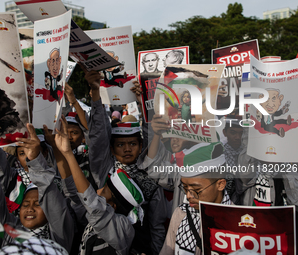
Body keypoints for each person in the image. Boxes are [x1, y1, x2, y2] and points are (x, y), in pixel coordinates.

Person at [83, 66, 167, 255]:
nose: (127, 149)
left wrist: (141, 102)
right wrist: (95, 93)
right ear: (112, 149)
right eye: (121, 145)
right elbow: (97, 138)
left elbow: (157, 225)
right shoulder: (106, 170)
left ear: (140, 146)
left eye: (132, 144)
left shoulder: (150, 174)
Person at [0, 124, 74, 252]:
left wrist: (35, 160)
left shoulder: (58, 238)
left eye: (37, 204)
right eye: (25, 204)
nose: (29, 209)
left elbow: (53, 203)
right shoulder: (11, 237)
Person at [54, 115, 140, 255]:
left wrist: (69, 154)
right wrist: (57, 148)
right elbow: (71, 189)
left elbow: (90, 199)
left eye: (105, 189)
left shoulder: (118, 227)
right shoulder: (97, 218)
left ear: (112, 206)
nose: (99, 189)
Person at [160, 142, 231, 255]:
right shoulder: (181, 213)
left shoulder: (235, 222)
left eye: (197, 190)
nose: (188, 196)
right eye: (185, 188)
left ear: (220, 185)